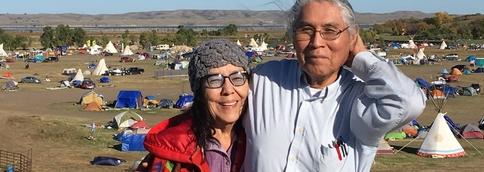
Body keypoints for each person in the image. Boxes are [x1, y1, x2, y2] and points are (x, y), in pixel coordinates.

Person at [242, 0, 427, 171]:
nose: (316, 42)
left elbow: (409, 101)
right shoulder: (264, 80)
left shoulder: (359, 100)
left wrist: (361, 57)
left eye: (330, 30)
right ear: (293, 36)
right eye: (306, 30)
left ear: (352, 38)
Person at [139, 39, 249, 172]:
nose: (228, 90)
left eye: (237, 77)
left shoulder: (258, 138)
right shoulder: (171, 157)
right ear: (199, 91)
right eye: (214, 80)